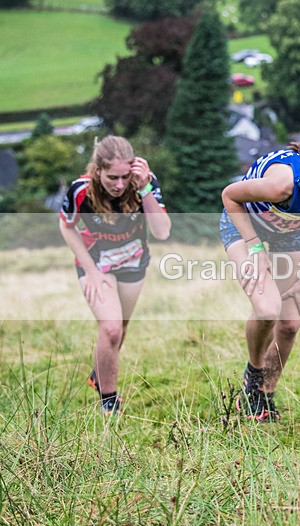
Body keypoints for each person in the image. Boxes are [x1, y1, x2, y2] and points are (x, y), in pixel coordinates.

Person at [220, 142, 300, 422]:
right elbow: (229, 196)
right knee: (268, 309)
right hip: (245, 223)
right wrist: (255, 249)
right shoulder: (282, 185)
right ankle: (254, 377)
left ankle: (265, 395)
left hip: (290, 231)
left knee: (290, 323)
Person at [59, 135, 171, 415]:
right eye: (112, 177)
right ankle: (109, 402)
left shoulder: (145, 182)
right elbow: (66, 226)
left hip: (133, 262)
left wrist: (145, 189)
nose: (119, 185)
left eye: (124, 177)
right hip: (97, 263)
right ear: (98, 170)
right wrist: (91, 271)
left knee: (120, 329)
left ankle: (99, 373)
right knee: (110, 328)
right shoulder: (80, 190)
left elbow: (162, 231)